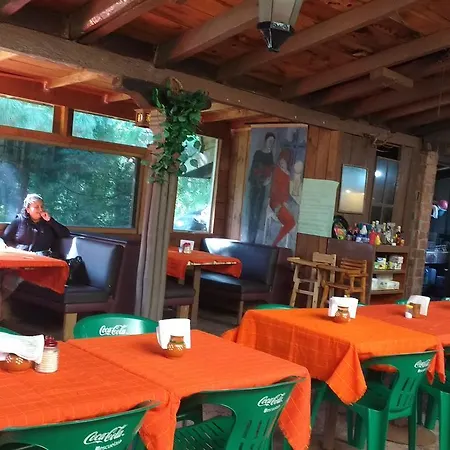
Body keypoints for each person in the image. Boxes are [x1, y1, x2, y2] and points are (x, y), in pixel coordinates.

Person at [1, 193, 69, 254]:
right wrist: (17, 249)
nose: (40, 210)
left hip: (43, 258)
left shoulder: (49, 223)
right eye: (36, 207)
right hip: (22, 257)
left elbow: (65, 233)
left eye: (42, 207)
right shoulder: (19, 221)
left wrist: (50, 221)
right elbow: (5, 239)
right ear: (28, 209)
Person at [247, 132, 275, 243]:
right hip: (255, 186)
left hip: (263, 187)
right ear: (265, 141)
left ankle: (253, 239)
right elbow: (254, 170)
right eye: (269, 141)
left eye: (272, 142)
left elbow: (271, 170)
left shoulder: (270, 155)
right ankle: (250, 238)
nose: (270, 143)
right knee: (252, 212)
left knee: (258, 213)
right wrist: (260, 179)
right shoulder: (258, 153)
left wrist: (268, 180)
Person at [269, 150, 296, 247]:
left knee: (293, 218)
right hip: (275, 202)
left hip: (283, 202)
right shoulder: (277, 171)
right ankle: (275, 243)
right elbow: (274, 191)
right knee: (291, 222)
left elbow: (286, 191)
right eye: (281, 161)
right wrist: (282, 203)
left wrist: (286, 202)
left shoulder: (287, 174)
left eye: (284, 161)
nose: (282, 163)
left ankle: (282, 241)